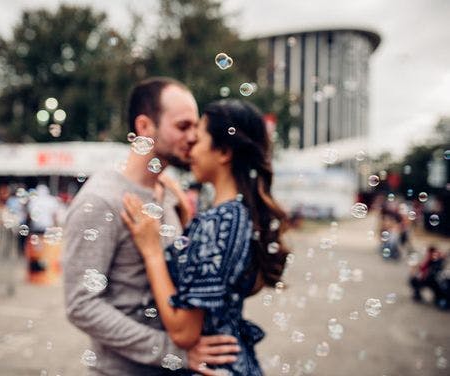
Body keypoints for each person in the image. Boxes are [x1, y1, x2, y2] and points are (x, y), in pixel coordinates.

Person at [63, 77, 240, 376]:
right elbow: (81, 304)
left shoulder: (169, 193)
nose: (194, 137)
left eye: (196, 127)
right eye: (183, 126)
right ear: (145, 127)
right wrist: (174, 352)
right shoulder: (101, 200)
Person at [122, 99, 290, 375]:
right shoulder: (239, 215)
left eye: (198, 140)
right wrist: (189, 222)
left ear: (223, 152)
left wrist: (151, 249)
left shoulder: (216, 223)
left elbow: (185, 332)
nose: (190, 149)